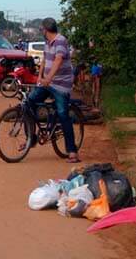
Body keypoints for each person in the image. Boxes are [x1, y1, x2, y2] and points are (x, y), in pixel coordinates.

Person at [29, 17, 80, 163]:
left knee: (63, 114)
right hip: (47, 82)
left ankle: (72, 152)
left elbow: (58, 60)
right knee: (30, 102)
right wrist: (40, 76)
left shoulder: (60, 40)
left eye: (42, 30)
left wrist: (48, 78)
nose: (42, 32)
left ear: (45, 30)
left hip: (61, 84)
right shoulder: (47, 42)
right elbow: (45, 60)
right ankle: (31, 138)